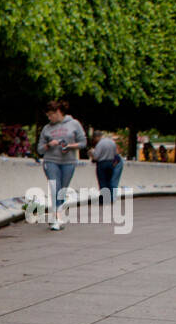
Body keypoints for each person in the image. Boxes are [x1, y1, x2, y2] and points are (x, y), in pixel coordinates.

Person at [36, 99, 86, 230]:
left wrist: (70, 146)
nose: (49, 117)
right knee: (54, 188)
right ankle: (56, 219)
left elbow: (83, 143)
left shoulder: (74, 124)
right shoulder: (47, 128)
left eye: (50, 115)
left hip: (68, 161)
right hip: (51, 161)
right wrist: (48, 145)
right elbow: (39, 149)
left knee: (62, 190)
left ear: (58, 112)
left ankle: (57, 215)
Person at [91, 132, 123, 201]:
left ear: (97, 137)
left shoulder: (99, 144)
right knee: (109, 180)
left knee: (102, 181)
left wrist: (92, 154)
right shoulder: (112, 142)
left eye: (94, 139)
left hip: (102, 164)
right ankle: (111, 197)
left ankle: (105, 198)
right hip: (111, 163)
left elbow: (96, 156)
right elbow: (116, 154)